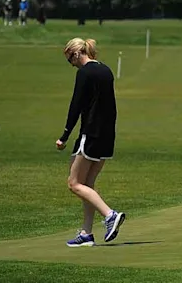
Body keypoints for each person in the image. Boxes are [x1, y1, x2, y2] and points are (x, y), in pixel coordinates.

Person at [55, 38, 126, 247]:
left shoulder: (85, 73)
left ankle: (110, 215)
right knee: (87, 184)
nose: (71, 64)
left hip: (91, 133)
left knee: (74, 183)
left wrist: (64, 136)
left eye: (70, 60)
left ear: (76, 53)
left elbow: (75, 106)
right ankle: (86, 233)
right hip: (107, 135)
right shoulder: (106, 70)